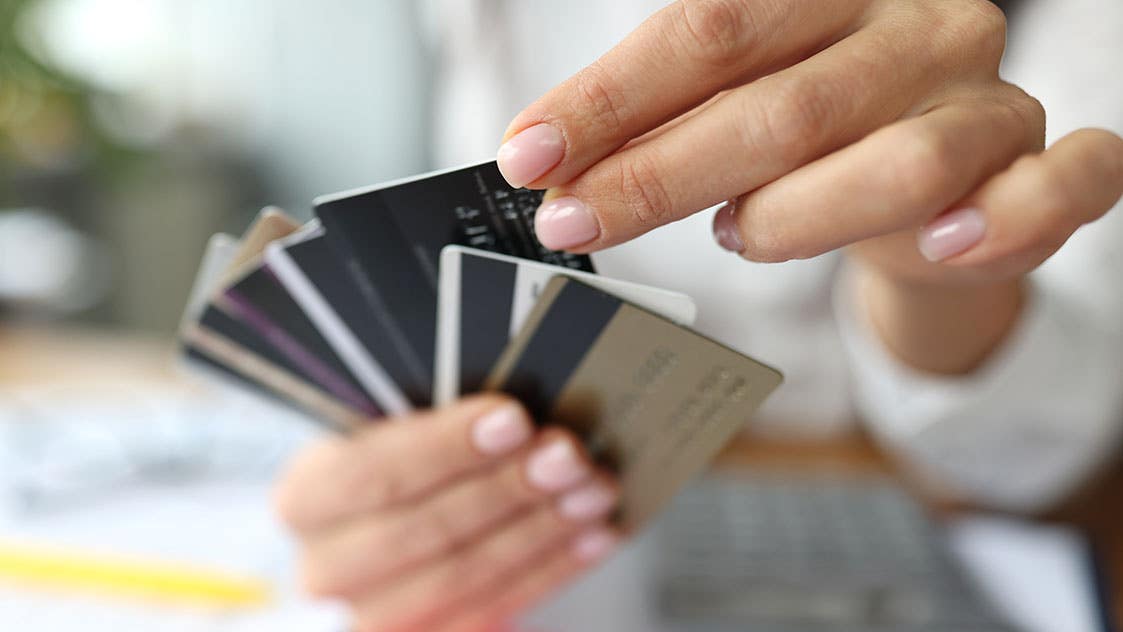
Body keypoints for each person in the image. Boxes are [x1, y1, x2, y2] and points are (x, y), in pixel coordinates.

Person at [273, 1, 1123, 630]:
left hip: (918, 508)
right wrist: (412, 457)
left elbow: (1044, 456)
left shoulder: (1073, 30)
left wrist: (935, 268)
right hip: (579, 525)